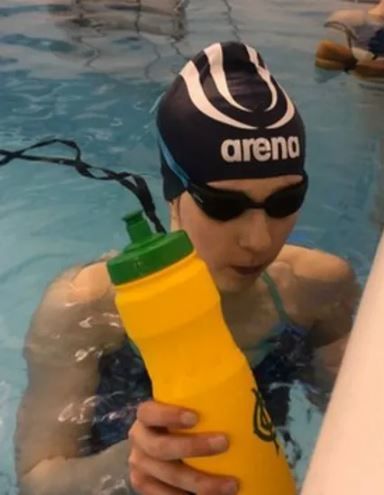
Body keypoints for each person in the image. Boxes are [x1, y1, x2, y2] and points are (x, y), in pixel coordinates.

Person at [14, 41, 360, 495]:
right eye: (223, 205)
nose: (259, 239)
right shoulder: (86, 311)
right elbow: (37, 480)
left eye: (285, 201)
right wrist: (128, 466)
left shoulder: (315, 292)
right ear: (174, 191)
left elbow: (361, 420)